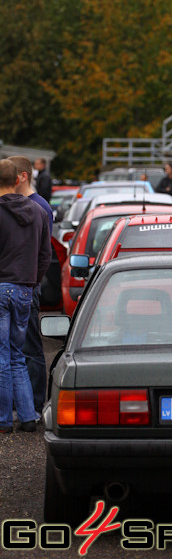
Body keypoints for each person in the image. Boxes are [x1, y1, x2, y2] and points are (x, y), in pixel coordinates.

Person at [0, 159, 51, 434]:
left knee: (2, 355)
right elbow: (46, 255)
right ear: (17, 179)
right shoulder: (39, 211)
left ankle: (4, 419)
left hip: (1, 287)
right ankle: (28, 417)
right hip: (24, 289)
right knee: (18, 355)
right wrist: (32, 281)